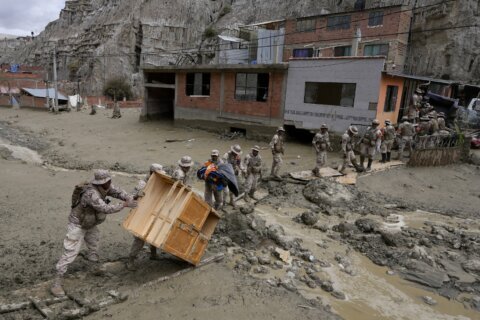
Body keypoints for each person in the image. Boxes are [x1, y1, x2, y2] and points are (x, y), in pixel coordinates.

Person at [51, 170, 136, 297]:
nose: (110, 183)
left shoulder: (106, 186)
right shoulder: (91, 194)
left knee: (94, 245)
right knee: (70, 252)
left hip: (90, 223)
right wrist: (124, 205)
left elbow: (118, 192)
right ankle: (56, 283)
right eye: (107, 182)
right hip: (78, 225)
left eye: (109, 181)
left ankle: (95, 268)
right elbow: (105, 208)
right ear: (101, 183)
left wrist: (129, 197)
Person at [126, 164, 165, 271]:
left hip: (154, 211)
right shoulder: (142, 183)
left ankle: (153, 254)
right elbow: (130, 196)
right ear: (152, 173)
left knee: (153, 233)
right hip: (141, 213)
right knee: (140, 238)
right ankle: (130, 260)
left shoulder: (160, 181)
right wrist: (137, 195)